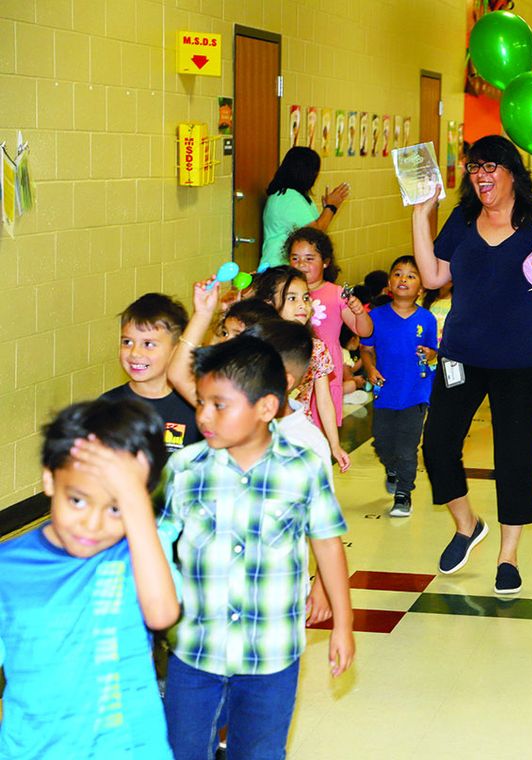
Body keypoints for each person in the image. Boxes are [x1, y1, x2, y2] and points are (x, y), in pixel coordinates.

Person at [159, 336, 354, 758]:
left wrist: (343, 623)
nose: (204, 416)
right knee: (182, 749)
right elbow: (154, 543)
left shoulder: (301, 467)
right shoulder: (185, 468)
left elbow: (328, 544)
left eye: (219, 405)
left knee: (261, 752)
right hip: (196, 650)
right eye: (201, 403)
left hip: (271, 654)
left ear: (266, 407)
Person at [411, 135, 532, 595]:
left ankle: (508, 556)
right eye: (474, 168)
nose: (481, 177)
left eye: (490, 167)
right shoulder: (463, 220)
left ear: (511, 173)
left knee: (514, 457)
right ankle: (467, 525)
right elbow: (433, 277)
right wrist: (420, 216)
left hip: (520, 358)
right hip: (461, 354)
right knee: (438, 445)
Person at [0, 399, 179, 758]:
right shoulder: (10, 566)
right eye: (78, 501)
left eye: (115, 508)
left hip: (130, 748)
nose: (93, 525)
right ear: (50, 478)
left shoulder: (140, 550)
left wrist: (133, 500)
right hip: (35, 749)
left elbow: (161, 614)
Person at [359, 255, 438, 517]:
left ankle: (404, 494)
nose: (403, 279)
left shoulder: (426, 319)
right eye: (398, 274)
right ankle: (391, 468)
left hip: (416, 392)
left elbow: (434, 352)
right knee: (382, 442)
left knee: (407, 447)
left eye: (411, 275)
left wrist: (429, 354)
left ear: (422, 288)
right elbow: (366, 349)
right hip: (385, 393)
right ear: (389, 284)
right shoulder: (375, 317)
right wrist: (370, 368)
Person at [251, 266, 351, 472]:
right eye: (292, 298)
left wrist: (334, 444)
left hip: (297, 431)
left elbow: (324, 400)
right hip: (259, 432)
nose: (302, 305)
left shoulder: (316, 348)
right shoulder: (258, 344)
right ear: (269, 304)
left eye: (306, 298)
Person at [286, 226, 373, 427]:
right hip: (294, 369)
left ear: (325, 262)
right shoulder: (283, 291)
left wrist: (360, 312)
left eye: (309, 258)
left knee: (322, 427)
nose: (301, 264)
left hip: (326, 371)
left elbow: (365, 331)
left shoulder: (336, 293)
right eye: (295, 258)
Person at [100, 292, 202, 453]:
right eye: (127, 342)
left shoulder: (193, 404)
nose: (134, 353)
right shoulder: (107, 406)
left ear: (176, 350)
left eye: (148, 344)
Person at [260, 146, 349, 269]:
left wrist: (326, 210)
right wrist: (331, 206)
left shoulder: (296, 195)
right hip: (280, 268)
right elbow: (314, 234)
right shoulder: (288, 197)